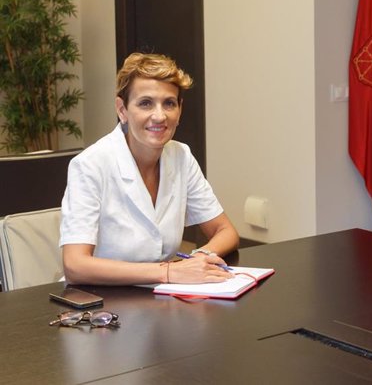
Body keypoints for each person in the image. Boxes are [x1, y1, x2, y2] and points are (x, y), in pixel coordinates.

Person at [60, 52, 240, 285]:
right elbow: (75, 265)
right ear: (122, 110)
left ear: (180, 110)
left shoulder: (181, 156)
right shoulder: (90, 165)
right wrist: (168, 272)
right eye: (145, 103)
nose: (159, 116)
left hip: (160, 295)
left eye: (169, 103)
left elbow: (226, 231)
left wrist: (197, 260)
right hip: (100, 302)